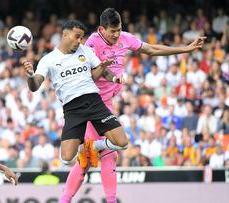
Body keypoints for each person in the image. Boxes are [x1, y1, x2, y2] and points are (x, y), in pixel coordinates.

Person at [61, 8, 206, 203]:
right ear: (101, 29)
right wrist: (107, 70)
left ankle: (68, 198)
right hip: (91, 103)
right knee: (103, 156)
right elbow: (87, 75)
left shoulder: (125, 38)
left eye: (119, 29)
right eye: (112, 31)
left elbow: (151, 49)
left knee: (97, 158)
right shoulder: (91, 44)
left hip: (106, 104)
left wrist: (185, 49)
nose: (116, 34)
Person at [22, 20, 129, 167]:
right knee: (66, 159)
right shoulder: (48, 60)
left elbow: (102, 70)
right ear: (65, 35)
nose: (79, 41)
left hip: (94, 102)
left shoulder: (85, 51)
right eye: (77, 36)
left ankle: (95, 145)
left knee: (123, 143)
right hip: (72, 109)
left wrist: (114, 77)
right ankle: (85, 145)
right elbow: (34, 86)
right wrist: (30, 76)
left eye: (81, 37)